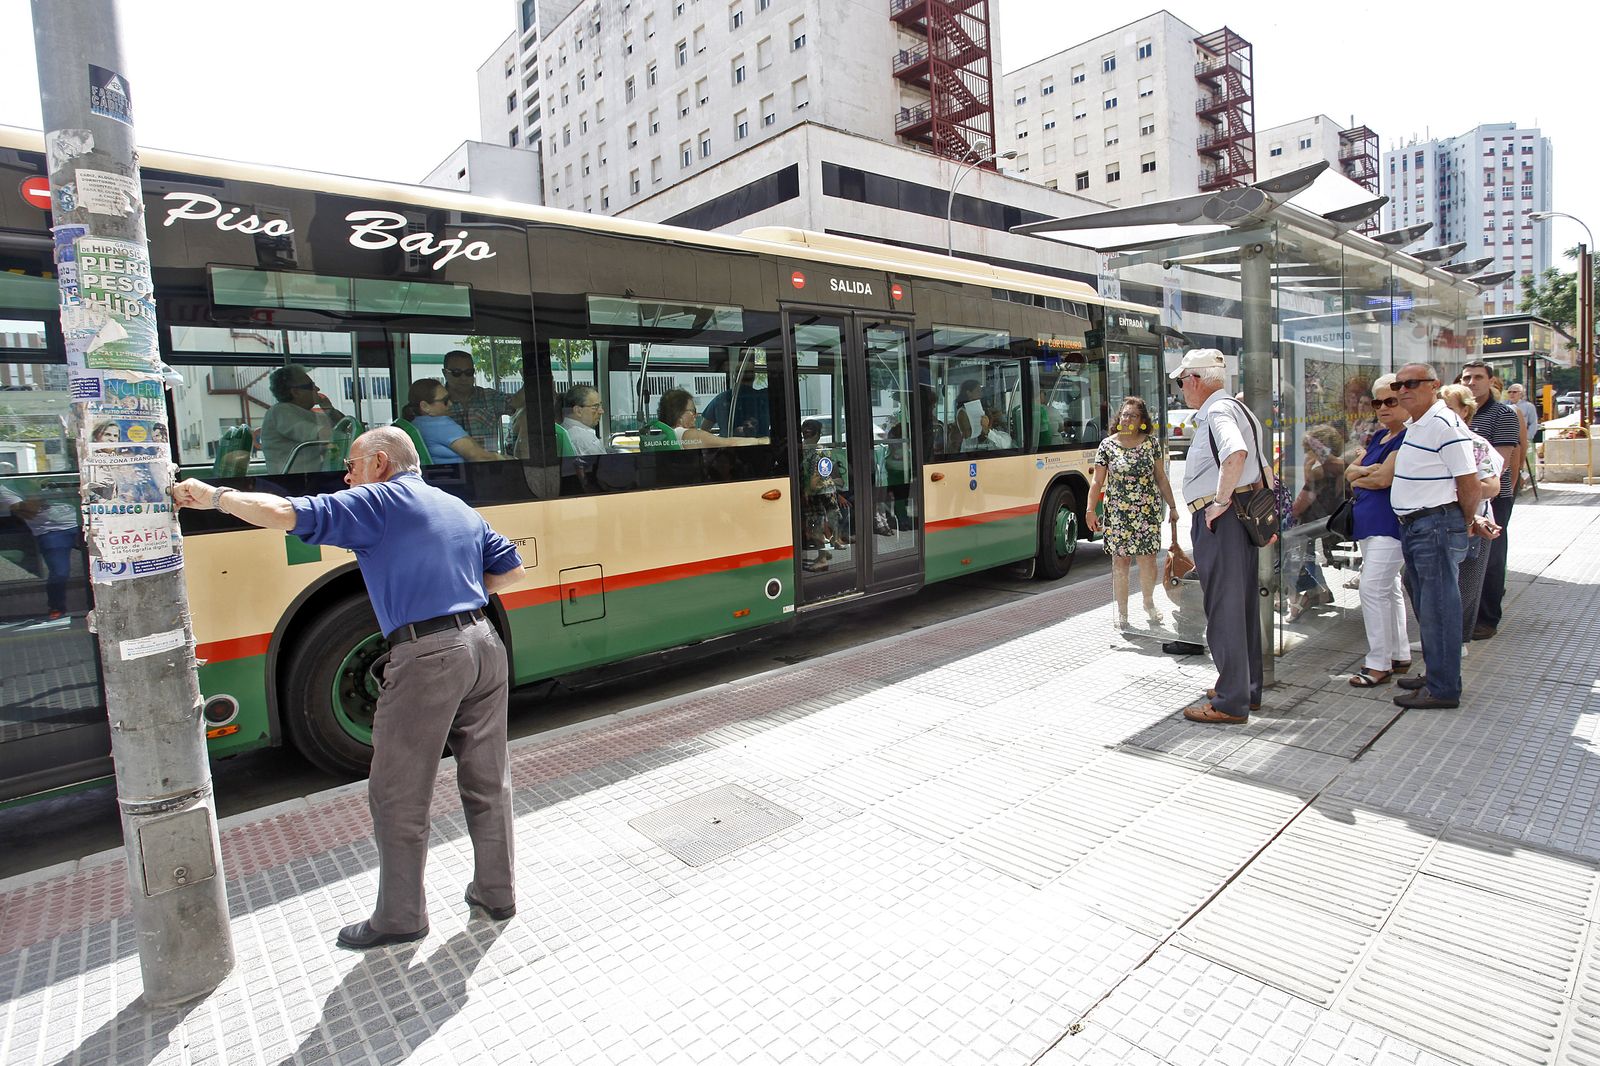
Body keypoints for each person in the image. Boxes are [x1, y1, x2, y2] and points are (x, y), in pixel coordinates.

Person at [170, 427, 525, 949]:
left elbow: (283, 512)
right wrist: (460, 595)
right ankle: (497, 893)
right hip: (484, 645)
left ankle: (401, 916)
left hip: (428, 656)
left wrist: (215, 497)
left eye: (352, 464)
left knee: (398, 792)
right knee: (488, 778)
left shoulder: (378, 501)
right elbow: (511, 572)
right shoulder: (455, 505)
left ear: (380, 463)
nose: (347, 475)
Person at [1171, 349, 1268, 725]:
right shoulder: (1239, 409)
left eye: (1182, 381)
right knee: (1240, 607)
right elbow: (1260, 467)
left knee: (1224, 609)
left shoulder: (1217, 411)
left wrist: (1219, 502)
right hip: (1240, 517)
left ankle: (1230, 700)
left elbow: (1237, 454)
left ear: (1195, 379)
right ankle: (1245, 687)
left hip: (1222, 519)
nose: (1181, 389)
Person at [1388, 363, 1490, 710]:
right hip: (1418, 526)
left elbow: (1469, 481)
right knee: (1428, 606)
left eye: (1411, 383)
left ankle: (1443, 687)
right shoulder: (1419, 424)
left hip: (1434, 526)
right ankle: (1436, 674)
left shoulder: (1445, 423)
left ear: (1434, 386)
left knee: (1439, 609)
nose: (1402, 390)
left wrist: (1462, 521)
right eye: (1398, 384)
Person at [1087, 396, 1178, 630]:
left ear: (1142, 421)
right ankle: (1122, 612)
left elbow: (1161, 478)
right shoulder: (1107, 445)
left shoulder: (1151, 444)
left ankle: (1148, 602)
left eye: (1133, 416)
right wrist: (1090, 510)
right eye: (1125, 414)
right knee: (1120, 561)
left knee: (1147, 560)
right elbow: (1097, 482)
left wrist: (1174, 506)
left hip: (1147, 512)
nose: (1127, 419)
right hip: (1117, 514)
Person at [1343, 375, 1410, 687]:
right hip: (1370, 524)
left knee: (1372, 589)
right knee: (1388, 588)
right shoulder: (1380, 437)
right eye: (1377, 402)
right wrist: (1363, 473)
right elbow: (1350, 472)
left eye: (1390, 401)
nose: (1382, 408)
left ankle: (1378, 662)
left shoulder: (1407, 436)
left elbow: (1383, 479)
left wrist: (1362, 474)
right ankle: (1397, 653)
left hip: (1389, 524)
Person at [1440, 384, 1506, 646]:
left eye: (1448, 408)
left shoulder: (1476, 443)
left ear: (1464, 411)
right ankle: (1442, 638)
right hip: (1436, 524)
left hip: (1470, 523)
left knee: (1463, 586)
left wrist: (1454, 491)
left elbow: (1492, 486)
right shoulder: (1430, 441)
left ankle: (1458, 642)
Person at [1459, 360, 1519, 640]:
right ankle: (1466, 618)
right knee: (1468, 560)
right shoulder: (1458, 414)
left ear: (1491, 381)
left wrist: (1481, 489)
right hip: (1465, 495)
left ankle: (1487, 618)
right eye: (1466, 378)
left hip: (1494, 496)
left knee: (1492, 558)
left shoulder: (1503, 413)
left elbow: (1502, 463)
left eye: (1477, 377)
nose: (1471, 383)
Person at [1286, 423, 1349, 621]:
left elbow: (1299, 507)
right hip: (1335, 521)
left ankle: (1296, 597)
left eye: (1309, 450)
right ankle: (1317, 589)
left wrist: (1307, 471)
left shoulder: (1320, 472)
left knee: (1287, 533)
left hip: (1319, 525)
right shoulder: (1345, 465)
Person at [0, 481, 79, 620]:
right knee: (60, 573)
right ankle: (57, 606)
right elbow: (29, 512)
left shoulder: (57, 477)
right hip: (52, 531)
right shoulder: (7, 488)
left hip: (81, 521)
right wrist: (40, 490)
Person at [262, 364, 346, 474]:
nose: (317, 389)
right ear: (296, 392)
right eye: (311, 386)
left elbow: (343, 425)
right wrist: (347, 438)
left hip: (314, 476)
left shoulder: (306, 413)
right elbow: (319, 433)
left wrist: (329, 409)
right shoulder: (281, 411)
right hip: (294, 481)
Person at [442, 349, 525, 455]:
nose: (464, 378)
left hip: (487, 468)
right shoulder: (435, 403)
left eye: (469, 372)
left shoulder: (489, 397)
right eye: (457, 373)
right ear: (445, 373)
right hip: (451, 468)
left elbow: (516, 402)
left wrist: (532, 378)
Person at [402, 379, 504, 465]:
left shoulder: (416, 423)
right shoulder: (440, 424)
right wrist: (512, 459)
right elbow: (480, 457)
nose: (450, 404)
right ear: (425, 406)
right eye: (445, 401)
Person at [799, 418, 849, 572]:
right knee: (823, 521)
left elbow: (814, 478)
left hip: (816, 493)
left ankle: (822, 560)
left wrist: (806, 491)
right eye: (805, 427)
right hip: (826, 491)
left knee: (815, 525)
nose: (805, 431)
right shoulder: (817, 450)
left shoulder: (813, 451)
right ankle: (826, 550)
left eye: (808, 428)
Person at [653, 388, 766, 448]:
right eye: (693, 411)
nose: (696, 415)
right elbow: (730, 443)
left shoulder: (665, 435)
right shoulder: (686, 434)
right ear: (679, 414)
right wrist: (761, 441)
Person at [700, 360, 771, 438]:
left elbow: (704, 429)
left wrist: (720, 442)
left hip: (729, 447)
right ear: (754, 376)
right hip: (761, 447)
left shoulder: (721, 399)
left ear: (734, 376)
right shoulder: (764, 398)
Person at [559, 385, 608, 455]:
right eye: (595, 407)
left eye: (600, 405)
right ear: (578, 411)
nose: (601, 411)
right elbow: (605, 465)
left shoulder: (562, 429)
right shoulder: (586, 440)